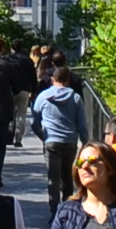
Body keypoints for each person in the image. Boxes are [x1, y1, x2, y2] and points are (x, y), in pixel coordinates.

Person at [30, 59, 98, 209]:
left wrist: (43, 136)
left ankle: (55, 210)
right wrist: (85, 143)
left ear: (53, 79)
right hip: (70, 141)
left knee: (53, 178)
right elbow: (82, 124)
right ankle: (68, 206)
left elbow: (33, 122)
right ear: (68, 80)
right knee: (67, 175)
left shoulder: (43, 97)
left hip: (51, 141)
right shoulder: (75, 98)